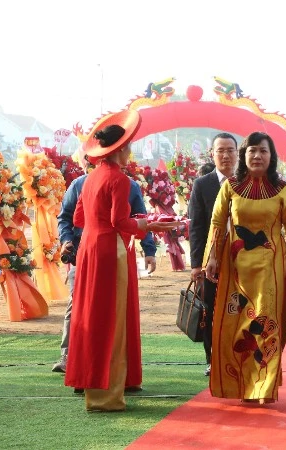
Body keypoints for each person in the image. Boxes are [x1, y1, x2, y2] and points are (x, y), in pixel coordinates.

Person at [64, 110, 178, 411]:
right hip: (109, 251)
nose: (130, 151)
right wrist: (147, 225)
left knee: (90, 313)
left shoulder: (89, 179)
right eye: (128, 147)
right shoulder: (118, 179)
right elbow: (119, 221)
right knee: (110, 317)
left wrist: (130, 223)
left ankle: (93, 378)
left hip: (89, 247)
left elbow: (78, 218)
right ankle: (106, 395)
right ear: (119, 149)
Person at [204, 131, 286, 403]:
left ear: (271, 157)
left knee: (266, 323)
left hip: (270, 268)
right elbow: (217, 223)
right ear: (244, 154)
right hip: (236, 268)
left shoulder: (282, 188)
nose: (257, 155)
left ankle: (263, 386)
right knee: (239, 326)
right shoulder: (231, 186)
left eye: (263, 151)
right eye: (252, 150)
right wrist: (212, 258)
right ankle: (243, 383)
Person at [53, 155, 157, 375]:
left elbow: (139, 215)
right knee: (81, 304)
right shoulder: (82, 183)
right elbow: (67, 217)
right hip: (91, 252)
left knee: (97, 306)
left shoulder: (127, 185)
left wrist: (149, 249)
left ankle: (106, 365)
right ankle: (69, 355)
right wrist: (67, 240)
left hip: (99, 250)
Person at [188, 133, 238, 377]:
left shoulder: (247, 183)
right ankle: (212, 358)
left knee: (238, 307)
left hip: (242, 259)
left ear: (238, 154)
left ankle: (237, 355)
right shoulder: (203, 184)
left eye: (230, 150)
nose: (226, 155)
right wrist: (197, 263)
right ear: (213, 154)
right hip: (211, 261)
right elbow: (196, 226)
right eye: (221, 150)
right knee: (211, 309)